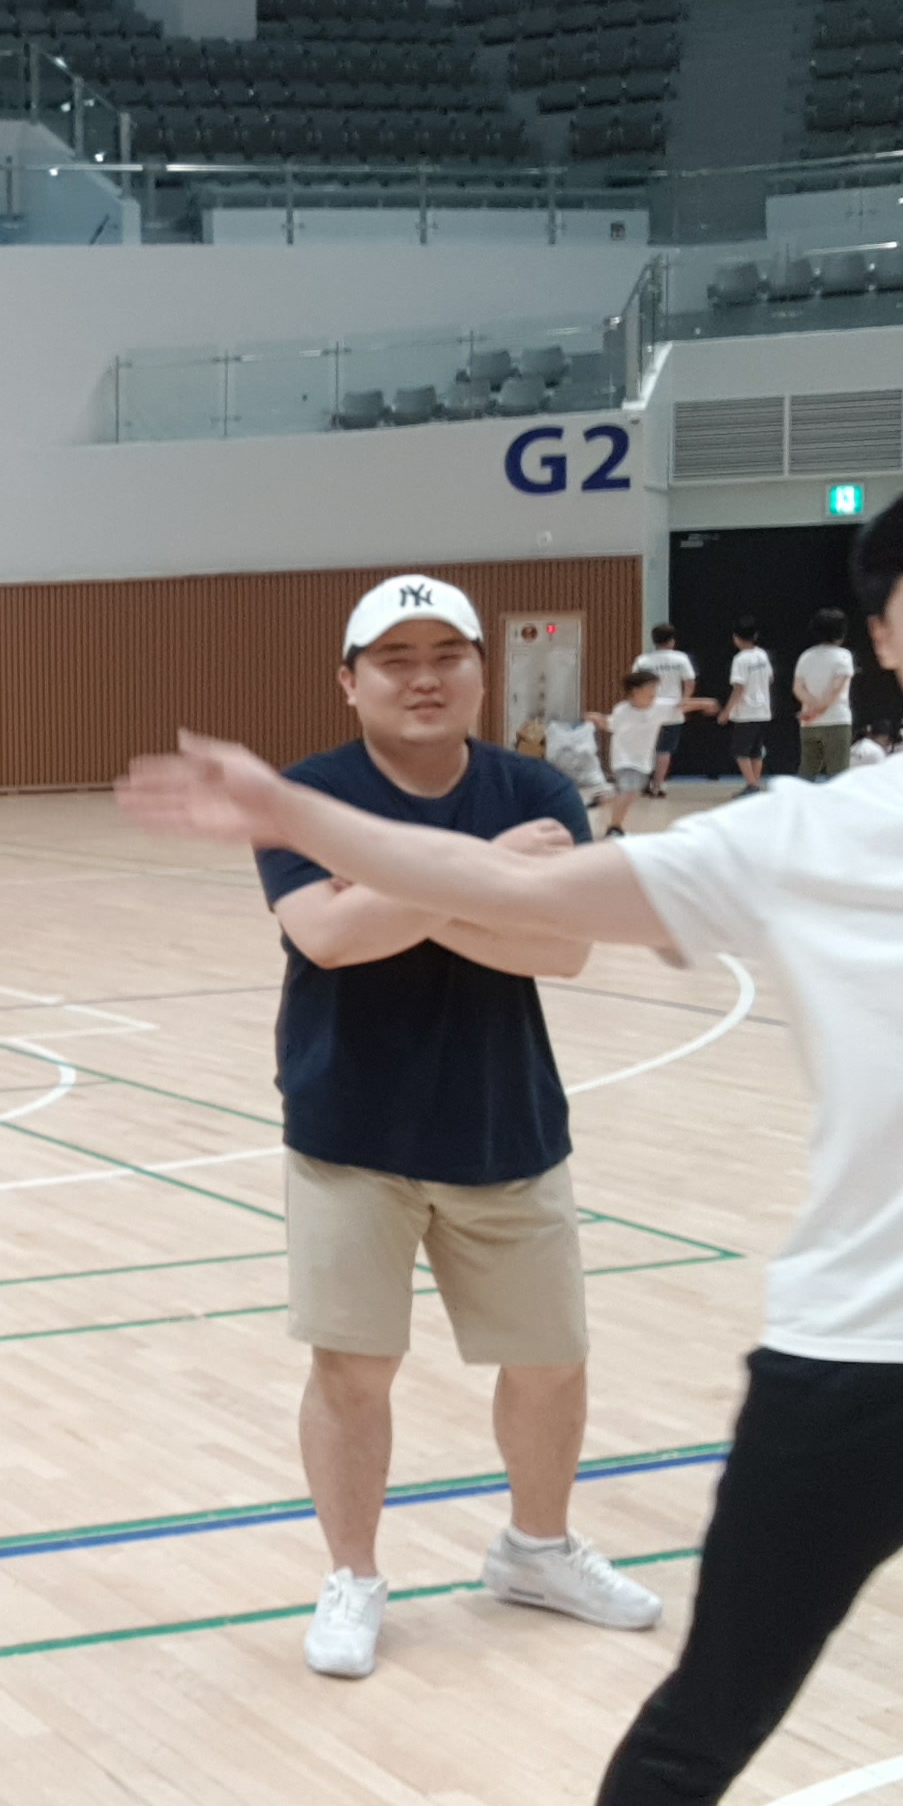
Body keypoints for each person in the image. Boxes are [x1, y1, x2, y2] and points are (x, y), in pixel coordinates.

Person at [117, 463, 903, 1806]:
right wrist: (292, 811)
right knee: (715, 1703)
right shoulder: (804, 834)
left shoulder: (564, 785)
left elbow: (521, 923)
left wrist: (389, 864)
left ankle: (534, 1560)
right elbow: (524, 907)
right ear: (880, 641)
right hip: (858, 1352)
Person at [252, 575, 662, 1683]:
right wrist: (491, 876)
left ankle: (537, 1551)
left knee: (550, 1360)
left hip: (504, 1117)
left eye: (448, 655)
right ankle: (354, 1575)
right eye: (395, 659)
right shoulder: (310, 795)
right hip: (349, 1125)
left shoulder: (536, 788)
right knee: (353, 1368)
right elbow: (329, 938)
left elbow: (562, 949)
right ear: (349, 682)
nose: (424, 678)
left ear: (483, 672)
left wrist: (392, 887)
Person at [631, 623, 699, 797]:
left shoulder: (643, 660)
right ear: (672, 640)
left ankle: (643, 783)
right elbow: (690, 682)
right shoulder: (681, 659)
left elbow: (634, 685)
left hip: (648, 710)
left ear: (654, 641)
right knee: (665, 750)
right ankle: (657, 786)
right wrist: (685, 700)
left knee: (647, 748)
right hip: (672, 710)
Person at [795, 606, 857, 778]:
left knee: (806, 772)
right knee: (838, 775)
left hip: (808, 723)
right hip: (836, 721)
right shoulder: (843, 656)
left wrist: (811, 710)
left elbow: (798, 688)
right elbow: (836, 689)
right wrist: (819, 709)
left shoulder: (806, 656)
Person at [601, 669, 661, 838]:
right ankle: (614, 828)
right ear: (635, 690)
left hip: (642, 761)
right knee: (628, 792)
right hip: (623, 759)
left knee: (631, 792)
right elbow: (611, 725)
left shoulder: (659, 707)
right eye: (650, 687)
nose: (654, 692)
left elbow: (681, 705)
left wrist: (704, 704)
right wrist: (599, 720)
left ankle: (603, 799)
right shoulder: (621, 710)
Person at [719, 618, 775, 793]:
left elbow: (739, 687)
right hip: (763, 710)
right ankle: (755, 783)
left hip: (746, 712)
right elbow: (770, 678)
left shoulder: (740, 660)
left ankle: (752, 785)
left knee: (740, 751)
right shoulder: (762, 655)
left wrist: (726, 711)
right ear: (755, 636)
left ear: (736, 638)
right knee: (756, 751)